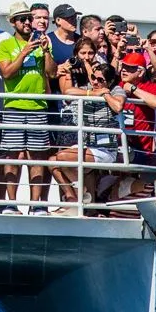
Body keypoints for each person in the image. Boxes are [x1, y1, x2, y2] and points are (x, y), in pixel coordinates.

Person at [0, 1, 57, 214]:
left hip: (38, 106)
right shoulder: (5, 45)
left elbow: (51, 73)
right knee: (12, 155)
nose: (27, 22)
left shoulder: (42, 44)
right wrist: (25, 52)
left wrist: (46, 51)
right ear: (13, 23)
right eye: (22, 19)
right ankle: (11, 203)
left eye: (29, 18)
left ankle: (36, 203)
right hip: (13, 106)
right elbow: (7, 73)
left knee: (37, 156)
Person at [50, 63, 126, 215]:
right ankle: (73, 198)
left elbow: (118, 107)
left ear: (109, 82)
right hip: (87, 146)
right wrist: (92, 94)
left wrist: (105, 94)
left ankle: (82, 192)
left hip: (106, 149)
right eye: (93, 78)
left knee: (62, 157)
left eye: (100, 80)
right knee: (52, 162)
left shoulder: (116, 90)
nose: (95, 82)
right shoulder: (89, 90)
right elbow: (68, 92)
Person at [118, 52, 156, 164]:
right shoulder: (119, 85)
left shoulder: (150, 86)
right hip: (121, 144)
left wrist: (133, 89)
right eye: (123, 66)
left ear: (141, 72)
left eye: (129, 68)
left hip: (142, 149)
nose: (124, 70)